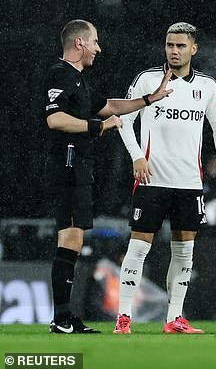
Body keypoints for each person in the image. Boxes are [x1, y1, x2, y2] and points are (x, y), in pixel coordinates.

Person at [45, 19, 173, 334]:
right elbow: (55, 118)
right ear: (79, 43)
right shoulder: (59, 74)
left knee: (72, 239)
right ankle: (61, 317)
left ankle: (64, 316)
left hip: (78, 165)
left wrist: (147, 100)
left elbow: (111, 106)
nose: (98, 49)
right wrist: (97, 126)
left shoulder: (80, 80)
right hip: (68, 163)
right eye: (95, 42)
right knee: (71, 239)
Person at [113, 22, 216, 334]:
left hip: (189, 183)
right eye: (170, 45)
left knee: (184, 252)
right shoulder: (147, 80)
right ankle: (124, 317)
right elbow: (123, 120)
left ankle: (174, 319)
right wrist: (137, 156)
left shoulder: (207, 86)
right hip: (152, 180)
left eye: (181, 46)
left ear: (194, 49)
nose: (174, 51)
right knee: (138, 248)